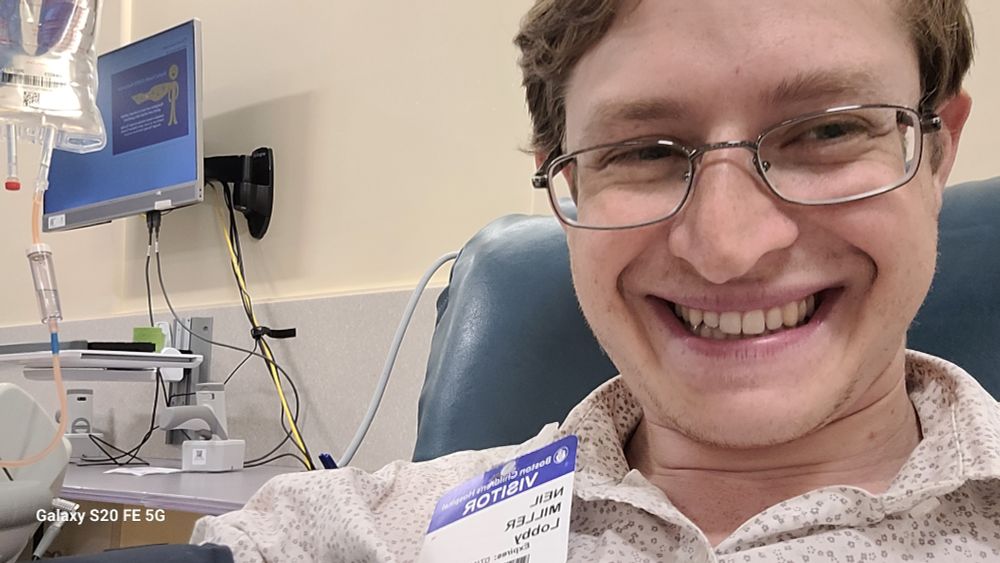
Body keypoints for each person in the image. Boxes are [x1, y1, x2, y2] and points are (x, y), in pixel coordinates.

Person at [193, 1, 997, 560]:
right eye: (644, 150)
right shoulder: (395, 530)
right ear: (567, 186)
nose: (728, 246)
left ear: (936, 152)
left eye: (827, 131)